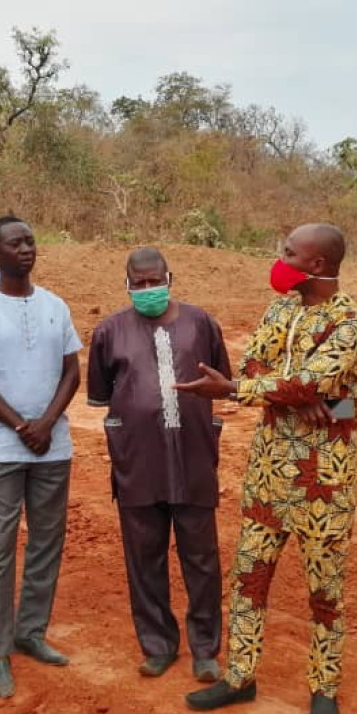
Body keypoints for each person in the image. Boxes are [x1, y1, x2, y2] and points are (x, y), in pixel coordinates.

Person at [175, 223, 357, 714]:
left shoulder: (349, 320)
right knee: (249, 579)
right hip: (267, 474)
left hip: (324, 481)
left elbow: (325, 388)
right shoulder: (279, 310)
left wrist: (262, 391)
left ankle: (324, 687)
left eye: (289, 253)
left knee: (325, 590)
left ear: (318, 265)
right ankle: (240, 676)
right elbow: (258, 366)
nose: (280, 260)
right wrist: (299, 398)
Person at [87, 247, 230, 682]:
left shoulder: (201, 323)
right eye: (139, 283)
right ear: (127, 284)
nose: (148, 289)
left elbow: (221, 383)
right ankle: (158, 645)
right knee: (143, 557)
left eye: (155, 281)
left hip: (194, 456)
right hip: (138, 460)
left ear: (170, 279)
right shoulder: (109, 331)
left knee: (201, 558)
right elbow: (101, 393)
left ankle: (205, 649)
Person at [0, 217, 82, 698]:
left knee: (47, 542)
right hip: (1, 451)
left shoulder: (55, 306)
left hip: (53, 448)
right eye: (15, 243)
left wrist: (46, 423)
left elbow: (72, 372)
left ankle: (31, 632)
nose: (26, 248)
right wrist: (21, 426)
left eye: (30, 241)